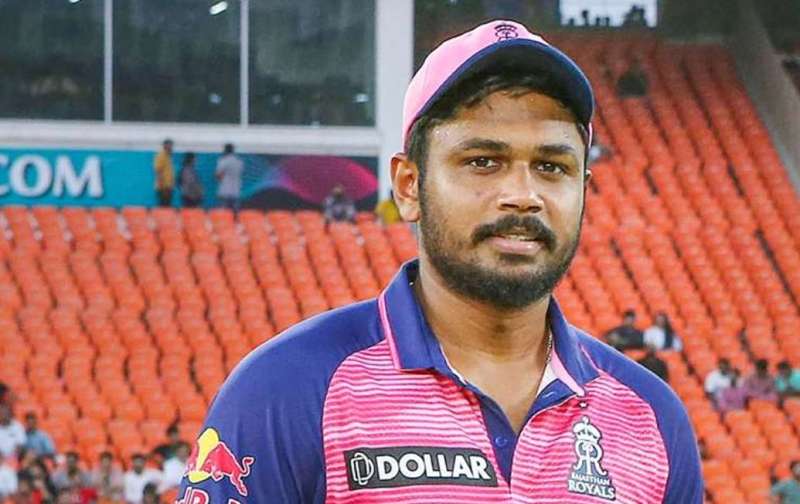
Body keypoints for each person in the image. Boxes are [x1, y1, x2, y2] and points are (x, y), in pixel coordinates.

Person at [176, 20, 702, 503]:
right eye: (483, 161)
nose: (523, 195)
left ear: (583, 187)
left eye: (551, 166)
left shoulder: (652, 419)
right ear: (409, 186)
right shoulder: (287, 389)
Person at [215, 143, 244, 211]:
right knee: (235, 213)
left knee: (225, 213)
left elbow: (218, 175)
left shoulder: (223, 161)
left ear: (225, 150)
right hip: (236, 191)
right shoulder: (239, 162)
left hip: (225, 190)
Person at [153, 139, 175, 207]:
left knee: (167, 206)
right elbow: (158, 171)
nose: (171, 148)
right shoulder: (161, 156)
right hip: (163, 187)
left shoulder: (168, 156)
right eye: (170, 145)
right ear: (165, 145)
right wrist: (162, 186)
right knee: (163, 207)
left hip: (168, 187)